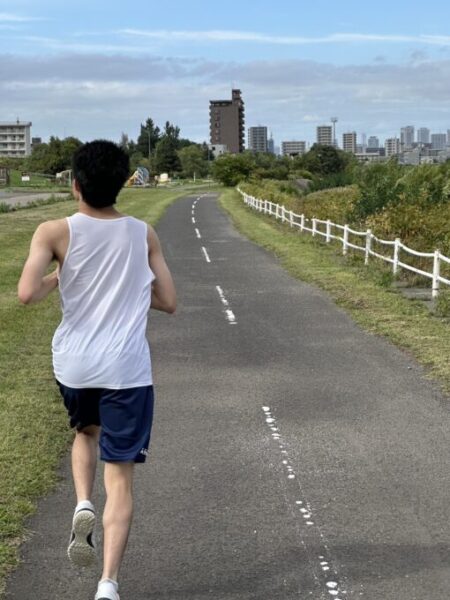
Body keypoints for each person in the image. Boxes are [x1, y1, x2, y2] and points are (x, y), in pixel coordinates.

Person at [18, 139, 176, 600]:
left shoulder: (53, 231)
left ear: (75, 185)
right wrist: (130, 289)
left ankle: (82, 502)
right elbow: (168, 301)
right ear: (123, 184)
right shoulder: (142, 233)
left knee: (85, 431)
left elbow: (27, 293)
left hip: (75, 365)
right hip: (126, 369)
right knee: (120, 475)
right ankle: (107, 583)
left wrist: (59, 276)